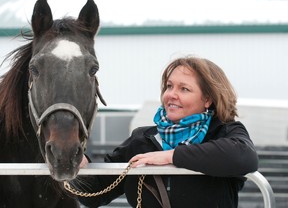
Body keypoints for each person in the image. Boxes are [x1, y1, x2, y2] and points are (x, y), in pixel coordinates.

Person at [76, 56, 258, 208]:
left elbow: (245, 157)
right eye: (169, 86)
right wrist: (76, 162)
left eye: (184, 89)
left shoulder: (224, 132)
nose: (171, 94)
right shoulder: (142, 140)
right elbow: (95, 193)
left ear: (208, 99)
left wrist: (170, 156)